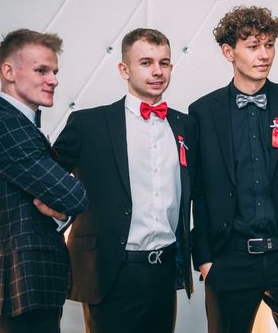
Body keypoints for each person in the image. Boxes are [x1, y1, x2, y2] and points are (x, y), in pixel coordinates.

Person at [189, 6, 278, 333]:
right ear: (229, 52)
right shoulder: (202, 112)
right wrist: (206, 260)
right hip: (230, 260)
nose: (264, 54)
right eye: (253, 46)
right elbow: (199, 190)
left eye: (269, 45)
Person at [52, 28, 197, 333]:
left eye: (164, 63)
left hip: (164, 270)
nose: (157, 71)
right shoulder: (89, 124)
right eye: (146, 62)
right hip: (110, 272)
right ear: (124, 69)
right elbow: (47, 179)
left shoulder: (186, 125)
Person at [0, 29, 87, 333]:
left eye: (55, 72)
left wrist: (58, 212)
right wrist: (62, 204)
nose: (53, 80)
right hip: (18, 287)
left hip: (30, 287)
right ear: (9, 71)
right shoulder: (4, 123)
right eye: (41, 70)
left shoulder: (20, 124)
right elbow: (73, 196)